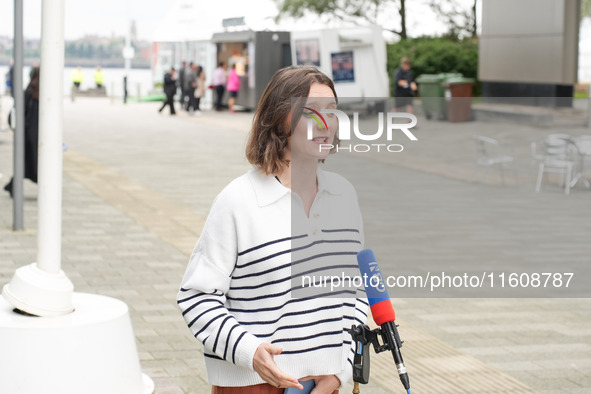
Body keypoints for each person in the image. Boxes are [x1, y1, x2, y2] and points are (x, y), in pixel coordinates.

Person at [177, 65, 368, 394]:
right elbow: (197, 297)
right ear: (280, 118)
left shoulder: (344, 195)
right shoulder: (237, 201)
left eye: (333, 111)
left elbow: (359, 293)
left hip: (327, 385)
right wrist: (250, 353)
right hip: (253, 385)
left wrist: (340, 371)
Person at [4, 67, 40, 198]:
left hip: (26, 137)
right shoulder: (39, 95)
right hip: (35, 138)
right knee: (33, 166)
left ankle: (13, 187)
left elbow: (14, 114)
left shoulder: (28, 93)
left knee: (25, 164)